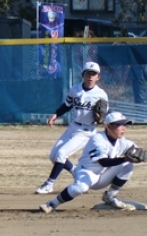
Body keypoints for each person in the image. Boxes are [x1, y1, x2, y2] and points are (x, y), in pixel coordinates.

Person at [39, 111, 146, 213]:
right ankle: (51, 204)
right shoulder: (98, 139)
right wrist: (125, 158)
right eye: (119, 125)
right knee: (80, 188)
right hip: (86, 172)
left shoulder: (122, 141)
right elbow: (103, 162)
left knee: (127, 165)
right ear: (108, 127)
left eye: (124, 125)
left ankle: (110, 196)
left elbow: (138, 152)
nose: (123, 128)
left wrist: (141, 156)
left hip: (103, 176)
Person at [35, 61, 109, 194]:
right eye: (88, 73)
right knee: (53, 156)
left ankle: (49, 184)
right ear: (83, 75)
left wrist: (100, 118)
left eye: (94, 74)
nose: (90, 76)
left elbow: (104, 115)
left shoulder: (101, 94)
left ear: (98, 77)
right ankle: (76, 172)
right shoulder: (75, 89)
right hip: (73, 126)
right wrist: (56, 114)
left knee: (61, 154)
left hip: (86, 131)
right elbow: (67, 105)